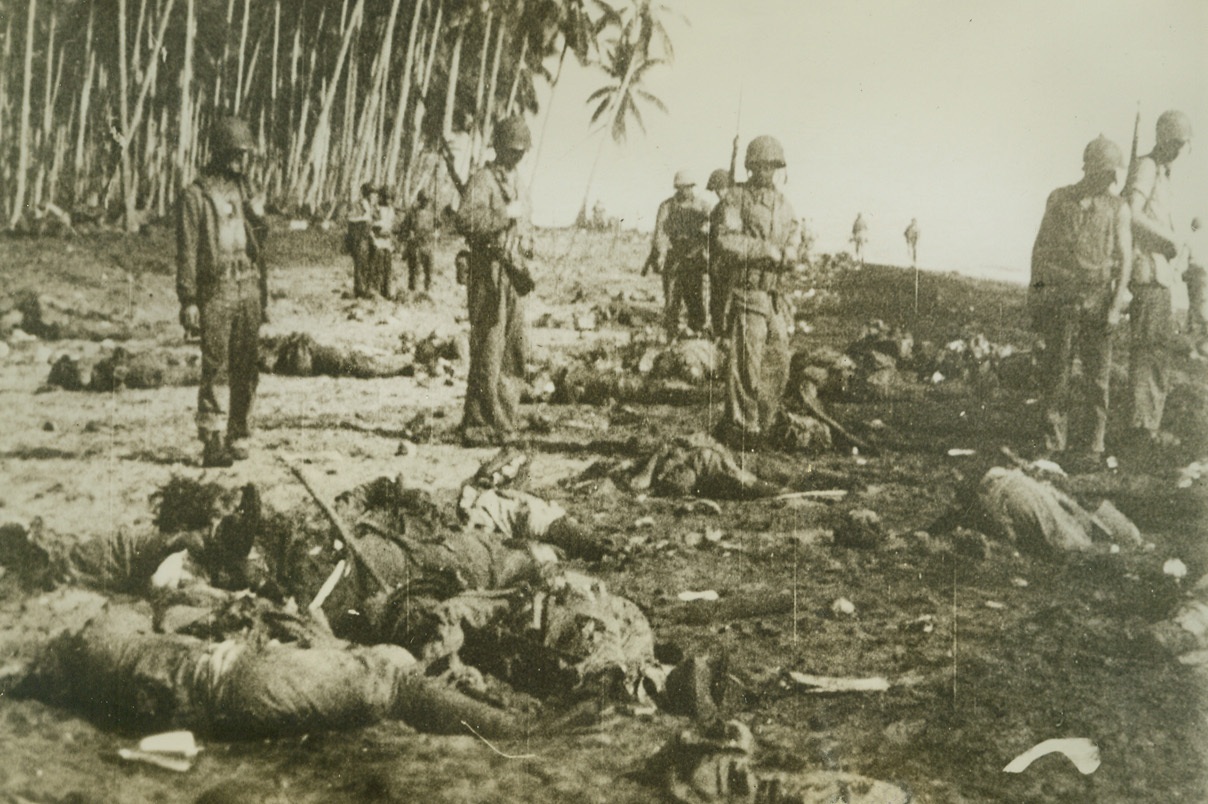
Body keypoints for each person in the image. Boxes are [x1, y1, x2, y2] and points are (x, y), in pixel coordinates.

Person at [1028, 135, 1132, 467]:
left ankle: (1092, 447)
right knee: (1056, 374)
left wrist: (1115, 307)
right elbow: (1041, 250)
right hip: (1062, 301)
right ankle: (1052, 444)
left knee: (1097, 379)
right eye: (1103, 172)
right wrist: (1036, 296)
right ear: (1089, 168)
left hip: (1099, 302)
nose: (1108, 180)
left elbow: (1125, 258)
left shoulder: (1118, 208)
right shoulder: (1059, 199)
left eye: (1111, 175)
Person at [176, 116, 268, 468]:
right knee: (214, 367)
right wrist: (188, 300)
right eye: (236, 154)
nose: (241, 162)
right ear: (221, 153)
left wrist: (259, 217)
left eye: (244, 156)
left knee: (247, 367)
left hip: (247, 286)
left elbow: (260, 242)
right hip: (215, 290)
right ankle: (212, 439)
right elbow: (186, 251)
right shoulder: (194, 196)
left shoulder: (242, 191)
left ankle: (239, 433)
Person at [712, 136, 800, 448]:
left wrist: (790, 251)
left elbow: (794, 234)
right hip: (748, 291)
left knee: (778, 360)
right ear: (751, 167)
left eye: (773, 166)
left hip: (775, 294)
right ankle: (741, 427)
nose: (767, 172)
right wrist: (765, 249)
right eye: (762, 166)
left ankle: (762, 422)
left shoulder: (784, 204)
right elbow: (726, 239)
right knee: (746, 364)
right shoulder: (737, 199)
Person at [456, 115, 536, 446]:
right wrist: (503, 216)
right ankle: (478, 424)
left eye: (521, 152)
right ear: (499, 149)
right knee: (488, 347)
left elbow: (525, 224)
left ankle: (504, 418)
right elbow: (466, 219)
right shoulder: (483, 180)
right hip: (488, 272)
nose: (516, 157)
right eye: (512, 151)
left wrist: (528, 243)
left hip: (513, 271)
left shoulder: (519, 183)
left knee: (513, 349)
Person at [1126, 109, 1193, 448]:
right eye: (1180, 143)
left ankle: (1147, 424)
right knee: (1149, 352)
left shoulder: (1162, 173)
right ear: (1170, 141)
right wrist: (1169, 241)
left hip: (1161, 277)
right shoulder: (1148, 167)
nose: (1182, 150)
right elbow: (1132, 215)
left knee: (1157, 352)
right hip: (1148, 274)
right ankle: (1142, 430)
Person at [652, 170, 712, 339]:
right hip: (674, 257)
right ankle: (672, 333)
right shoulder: (667, 206)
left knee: (695, 297)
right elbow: (661, 234)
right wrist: (661, 254)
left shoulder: (702, 206)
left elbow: (710, 234)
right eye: (682, 188)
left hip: (694, 259)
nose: (686, 191)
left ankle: (696, 332)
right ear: (677, 188)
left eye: (689, 187)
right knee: (672, 298)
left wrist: (704, 250)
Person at [706, 167, 735, 337]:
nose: (718, 193)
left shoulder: (737, 206)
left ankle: (728, 334)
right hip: (718, 262)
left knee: (730, 301)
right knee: (716, 301)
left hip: (732, 262)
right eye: (716, 190)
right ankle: (719, 333)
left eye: (721, 189)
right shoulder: (717, 209)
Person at [401, 189, 438, 293]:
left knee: (429, 269)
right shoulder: (412, 212)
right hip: (416, 244)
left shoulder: (432, 212)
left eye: (427, 200)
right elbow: (404, 227)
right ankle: (412, 291)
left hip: (428, 243)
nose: (425, 202)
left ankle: (428, 291)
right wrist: (409, 236)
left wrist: (436, 232)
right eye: (423, 200)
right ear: (420, 200)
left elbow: (438, 225)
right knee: (414, 269)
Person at [348, 182, 377, 298]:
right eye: (372, 193)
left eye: (375, 194)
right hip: (359, 238)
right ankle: (360, 290)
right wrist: (363, 218)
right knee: (360, 263)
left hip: (369, 237)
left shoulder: (373, 207)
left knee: (371, 263)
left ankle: (368, 288)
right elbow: (350, 219)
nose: (374, 196)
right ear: (366, 194)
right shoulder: (358, 205)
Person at [369, 186, 397, 298]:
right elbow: (374, 226)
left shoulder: (391, 210)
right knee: (378, 267)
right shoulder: (376, 209)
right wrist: (380, 232)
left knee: (388, 268)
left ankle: (387, 291)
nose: (388, 200)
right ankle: (376, 291)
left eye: (389, 198)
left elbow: (391, 224)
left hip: (387, 243)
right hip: (378, 242)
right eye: (386, 197)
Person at [1183, 217, 1206, 337]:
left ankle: (1192, 326)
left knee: (1192, 299)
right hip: (1202, 272)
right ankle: (1198, 326)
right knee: (1201, 299)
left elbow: (1184, 256)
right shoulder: (1204, 238)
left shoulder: (1190, 238)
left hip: (1192, 271)